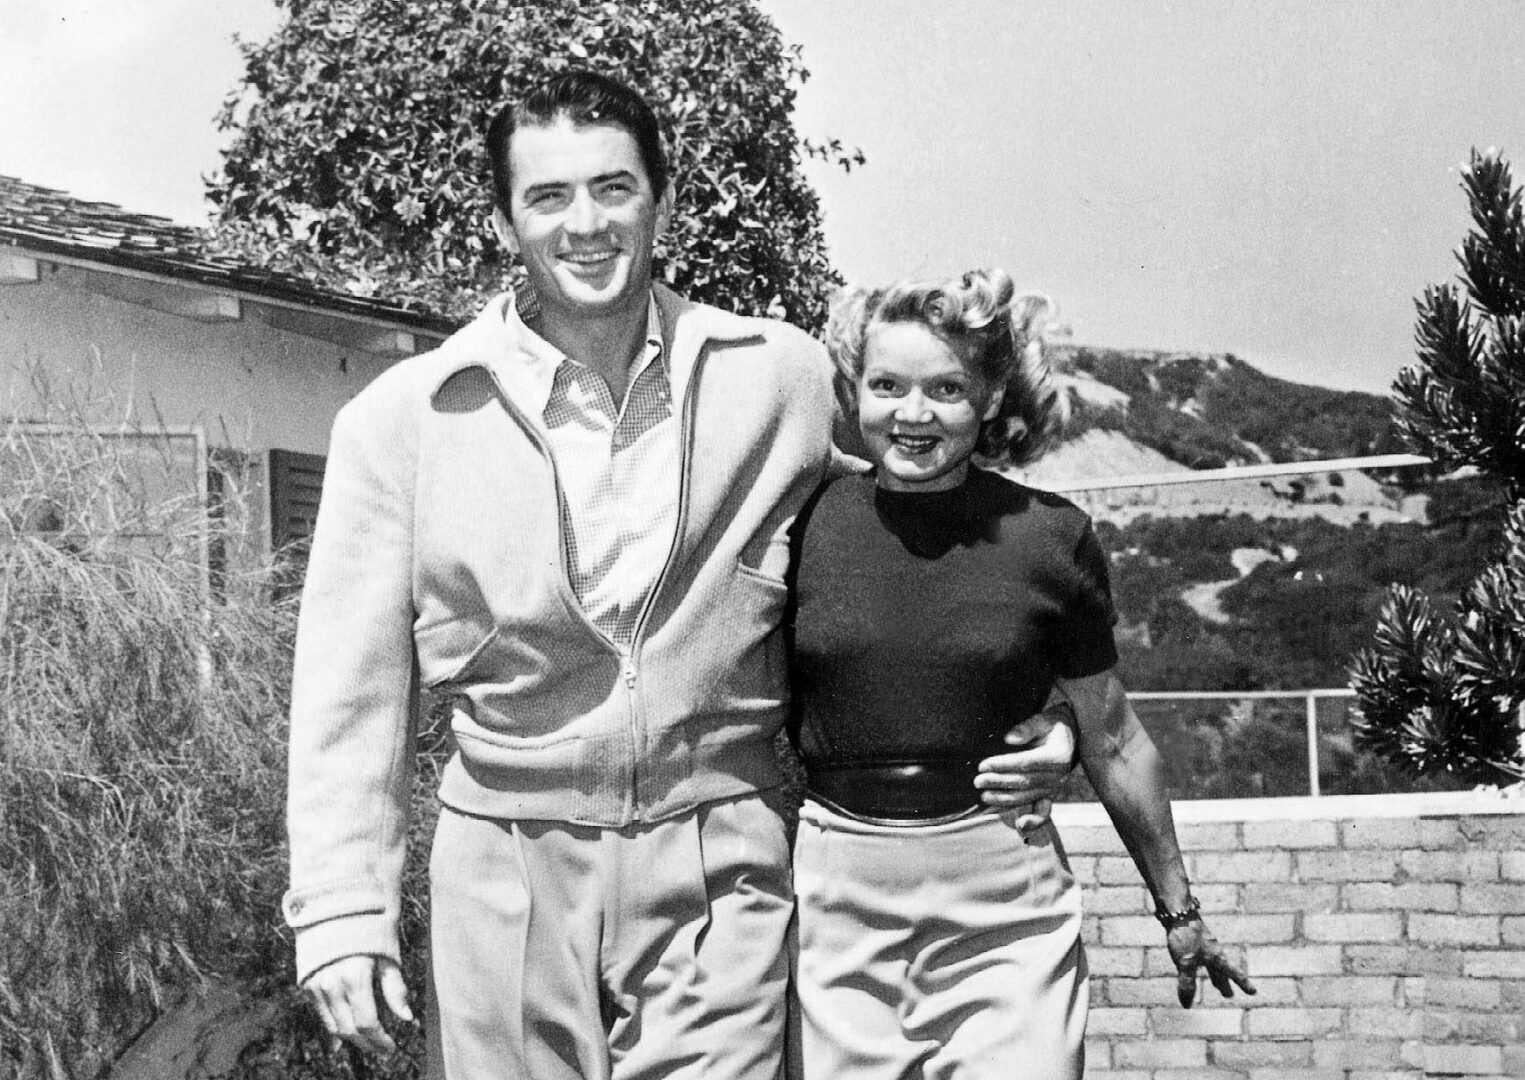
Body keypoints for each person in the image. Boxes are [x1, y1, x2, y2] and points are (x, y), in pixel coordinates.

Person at [282, 72, 1074, 1080]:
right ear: (503, 221)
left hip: (721, 859)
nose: (586, 225)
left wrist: (1046, 715)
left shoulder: (779, 377)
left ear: (662, 198)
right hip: (504, 863)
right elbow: (347, 690)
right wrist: (342, 912)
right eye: (548, 196)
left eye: (613, 188)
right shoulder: (406, 420)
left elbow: (925, 538)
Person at [786, 269, 1255, 1080]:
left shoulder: (1049, 537)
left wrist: (1179, 911)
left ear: (991, 397)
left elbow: (1115, 740)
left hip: (1004, 904)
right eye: (887, 386)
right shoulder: (802, 526)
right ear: (853, 390)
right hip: (836, 910)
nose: (913, 414)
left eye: (946, 389)